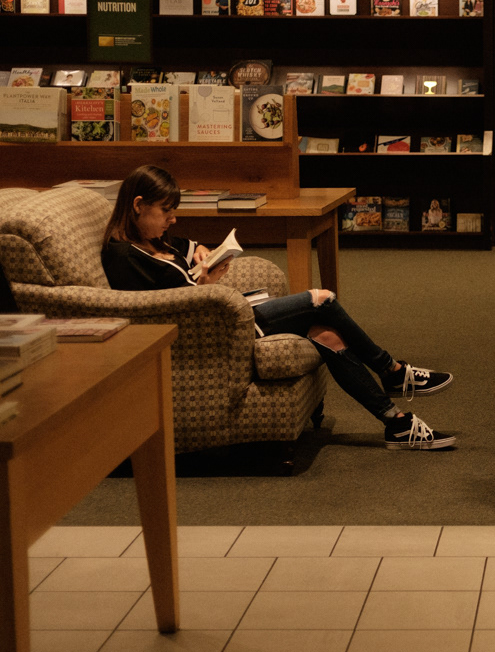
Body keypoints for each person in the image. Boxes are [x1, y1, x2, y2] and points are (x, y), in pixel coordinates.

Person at [101, 165, 456, 450]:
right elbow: (167, 308)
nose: (173, 219)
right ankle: (392, 370)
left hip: (229, 312)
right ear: (138, 205)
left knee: (327, 335)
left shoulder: (154, 239)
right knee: (322, 299)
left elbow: (186, 245)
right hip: (214, 329)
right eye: (166, 211)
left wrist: (202, 251)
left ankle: (395, 422)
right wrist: (205, 286)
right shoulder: (125, 257)